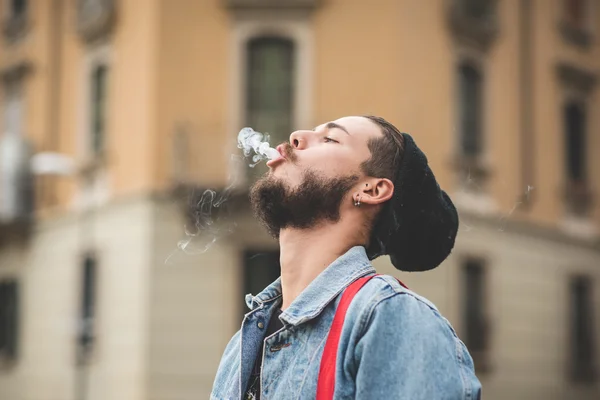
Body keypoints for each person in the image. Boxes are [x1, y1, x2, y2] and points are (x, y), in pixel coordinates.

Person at [211, 116, 482, 399]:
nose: (296, 136)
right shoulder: (243, 344)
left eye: (330, 138)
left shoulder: (388, 317)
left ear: (371, 190)